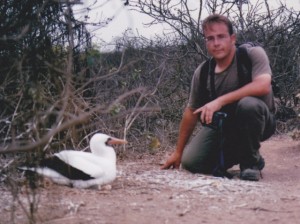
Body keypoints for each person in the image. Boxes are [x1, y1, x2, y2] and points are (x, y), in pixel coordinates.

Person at [161, 14, 276, 181]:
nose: (216, 43)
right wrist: (178, 152)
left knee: (248, 105)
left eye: (221, 36)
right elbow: (191, 111)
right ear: (206, 42)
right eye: (210, 38)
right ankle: (251, 156)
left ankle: (250, 164)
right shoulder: (203, 72)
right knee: (192, 162)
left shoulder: (252, 54)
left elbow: (263, 84)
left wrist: (219, 101)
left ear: (232, 38)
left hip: (260, 121)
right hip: (226, 128)